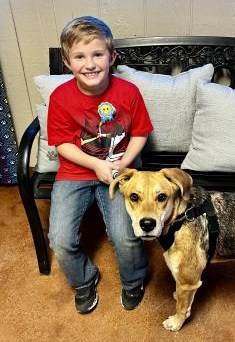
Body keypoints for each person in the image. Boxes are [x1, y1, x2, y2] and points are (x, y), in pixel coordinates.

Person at [47, 16, 153, 314]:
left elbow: (141, 133)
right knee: (60, 239)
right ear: (68, 62)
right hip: (75, 171)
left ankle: (134, 281)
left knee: (126, 236)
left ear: (112, 57)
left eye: (97, 54)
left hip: (122, 169)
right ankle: (84, 280)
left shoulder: (128, 93)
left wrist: (122, 163)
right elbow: (61, 144)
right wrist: (96, 164)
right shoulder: (60, 97)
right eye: (80, 57)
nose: (90, 63)